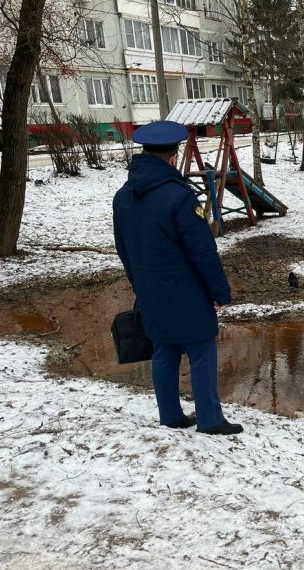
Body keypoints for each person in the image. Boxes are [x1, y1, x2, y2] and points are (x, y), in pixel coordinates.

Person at [112, 120, 242, 435]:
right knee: (201, 350)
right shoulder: (180, 198)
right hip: (187, 292)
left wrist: (139, 284)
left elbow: (124, 249)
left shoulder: (122, 196)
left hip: (150, 291)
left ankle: (170, 415)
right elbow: (202, 252)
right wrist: (220, 293)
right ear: (173, 155)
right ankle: (210, 420)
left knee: (164, 350)